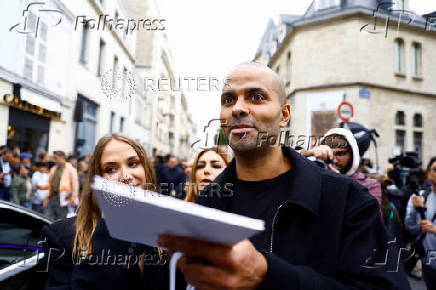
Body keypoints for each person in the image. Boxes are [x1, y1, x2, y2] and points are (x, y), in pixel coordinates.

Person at [158, 62, 409, 289]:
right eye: (228, 100)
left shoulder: (347, 200)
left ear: (284, 116)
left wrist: (269, 276)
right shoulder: (208, 201)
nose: (238, 108)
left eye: (256, 97)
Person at [41, 133, 167, 289]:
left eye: (133, 164)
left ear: (147, 170)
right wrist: (111, 227)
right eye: (111, 169)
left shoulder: (167, 234)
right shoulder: (62, 236)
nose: (125, 176)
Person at [302, 129, 382, 206]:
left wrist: (339, 183)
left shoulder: (370, 185)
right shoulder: (316, 180)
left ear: (353, 154)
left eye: (340, 154)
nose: (335, 160)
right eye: (329, 155)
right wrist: (309, 153)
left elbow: (369, 216)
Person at [405, 157, 436, 289]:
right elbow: (410, 227)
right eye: (435, 169)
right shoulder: (422, 196)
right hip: (429, 262)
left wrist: (434, 229)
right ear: (429, 173)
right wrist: (414, 209)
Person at [44, 151, 79, 220]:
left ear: (62, 157)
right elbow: (50, 183)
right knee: (47, 216)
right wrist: (47, 196)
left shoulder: (70, 168)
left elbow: (75, 184)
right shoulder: (54, 169)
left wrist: (73, 196)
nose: (54, 160)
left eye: (56, 158)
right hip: (53, 196)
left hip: (64, 197)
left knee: (61, 218)